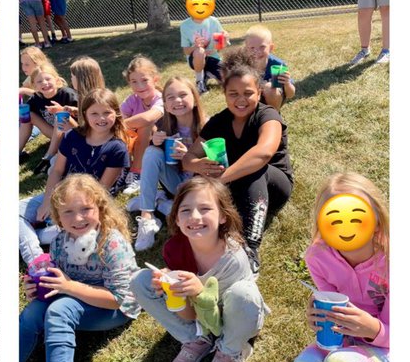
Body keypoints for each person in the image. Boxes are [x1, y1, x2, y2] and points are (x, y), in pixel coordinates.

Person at [263, 172, 389, 362]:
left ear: (376, 222)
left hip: (391, 355)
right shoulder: (319, 257)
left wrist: (372, 328)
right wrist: (320, 319)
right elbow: (331, 312)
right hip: (345, 345)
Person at [19, 174, 139, 362]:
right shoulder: (61, 241)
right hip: (75, 296)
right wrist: (38, 287)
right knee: (33, 313)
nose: (78, 218)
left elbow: (120, 298)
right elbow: (59, 276)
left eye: (85, 209)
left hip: (113, 308)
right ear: (58, 218)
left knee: (60, 311)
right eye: (68, 212)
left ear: (100, 208)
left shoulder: (112, 242)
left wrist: (68, 287)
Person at [130, 176, 266, 362]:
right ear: (176, 219)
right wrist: (173, 291)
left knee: (244, 294)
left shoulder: (233, 258)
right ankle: (196, 340)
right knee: (140, 280)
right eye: (185, 210)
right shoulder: (174, 249)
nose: (194, 216)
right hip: (200, 318)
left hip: (233, 316)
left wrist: (199, 292)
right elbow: (190, 314)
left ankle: (229, 352)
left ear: (222, 216)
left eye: (205, 209)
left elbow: (224, 319)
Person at [183, 54, 293, 271]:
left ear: (259, 92)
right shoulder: (218, 121)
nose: (240, 100)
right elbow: (188, 158)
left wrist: (222, 178)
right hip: (234, 185)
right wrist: (197, 165)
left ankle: (251, 249)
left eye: (248, 93)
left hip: (272, 185)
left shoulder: (267, 115)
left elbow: (263, 153)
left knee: (255, 168)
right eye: (233, 94)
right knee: (200, 178)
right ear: (224, 94)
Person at [20, 88, 129, 264]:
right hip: (61, 193)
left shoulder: (117, 148)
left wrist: (66, 211)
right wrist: (48, 200)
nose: (101, 118)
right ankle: (37, 259)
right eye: (94, 113)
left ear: (116, 114)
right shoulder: (73, 136)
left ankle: (36, 237)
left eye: (106, 113)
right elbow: (57, 171)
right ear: (84, 114)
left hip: (88, 205)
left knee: (81, 230)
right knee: (13, 212)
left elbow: (101, 190)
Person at [131, 75, 206, 251]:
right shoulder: (164, 125)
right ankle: (147, 217)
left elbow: (216, 165)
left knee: (184, 213)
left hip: (199, 187)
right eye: (170, 97)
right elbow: (154, 160)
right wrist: (154, 142)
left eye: (183, 95)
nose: (177, 101)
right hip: (175, 183)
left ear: (195, 98)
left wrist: (188, 156)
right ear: (165, 104)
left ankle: (158, 202)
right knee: (151, 152)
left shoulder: (207, 126)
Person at [38, 55, 105, 170]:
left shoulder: (94, 100)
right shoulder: (92, 96)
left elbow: (92, 128)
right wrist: (74, 110)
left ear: (81, 79)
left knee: (61, 116)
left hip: (94, 142)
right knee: (62, 115)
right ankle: (51, 156)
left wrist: (63, 112)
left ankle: (49, 156)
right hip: (91, 137)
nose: (71, 79)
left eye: (72, 76)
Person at [119, 56, 164, 195]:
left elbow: (148, 117)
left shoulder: (161, 98)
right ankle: (121, 168)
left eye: (144, 80)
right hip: (136, 144)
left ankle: (137, 172)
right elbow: (118, 116)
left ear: (155, 79)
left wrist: (122, 125)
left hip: (160, 144)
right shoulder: (133, 100)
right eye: (134, 82)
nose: (140, 86)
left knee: (145, 125)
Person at [19, 61, 77, 169]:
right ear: (35, 86)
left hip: (75, 133)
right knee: (27, 114)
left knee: (60, 115)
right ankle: (16, 152)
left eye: (48, 79)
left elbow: (84, 115)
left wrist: (64, 110)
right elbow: (23, 117)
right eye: (39, 81)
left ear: (57, 80)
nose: (44, 83)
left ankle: (49, 156)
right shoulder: (37, 98)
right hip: (55, 134)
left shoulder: (68, 94)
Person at [179, 0, 227, 93]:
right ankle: (199, 82)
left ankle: (207, 73)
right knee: (200, 52)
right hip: (196, 58)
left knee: (228, 80)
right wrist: (196, 47)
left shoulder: (214, 21)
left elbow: (221, 46)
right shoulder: (185, 25)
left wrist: (223, 39)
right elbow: (186, 51)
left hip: (213, 57)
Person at [243, 24, 297, 110]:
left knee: (269, 87)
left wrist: (287, 83)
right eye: (252, 48)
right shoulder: (244, 66)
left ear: (271, 47)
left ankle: (273, 117)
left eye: (262, 47)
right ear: (246, 49)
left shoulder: (277, 65)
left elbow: (290, 95)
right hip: (252, 99)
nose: (257, 51)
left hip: (273, 98)